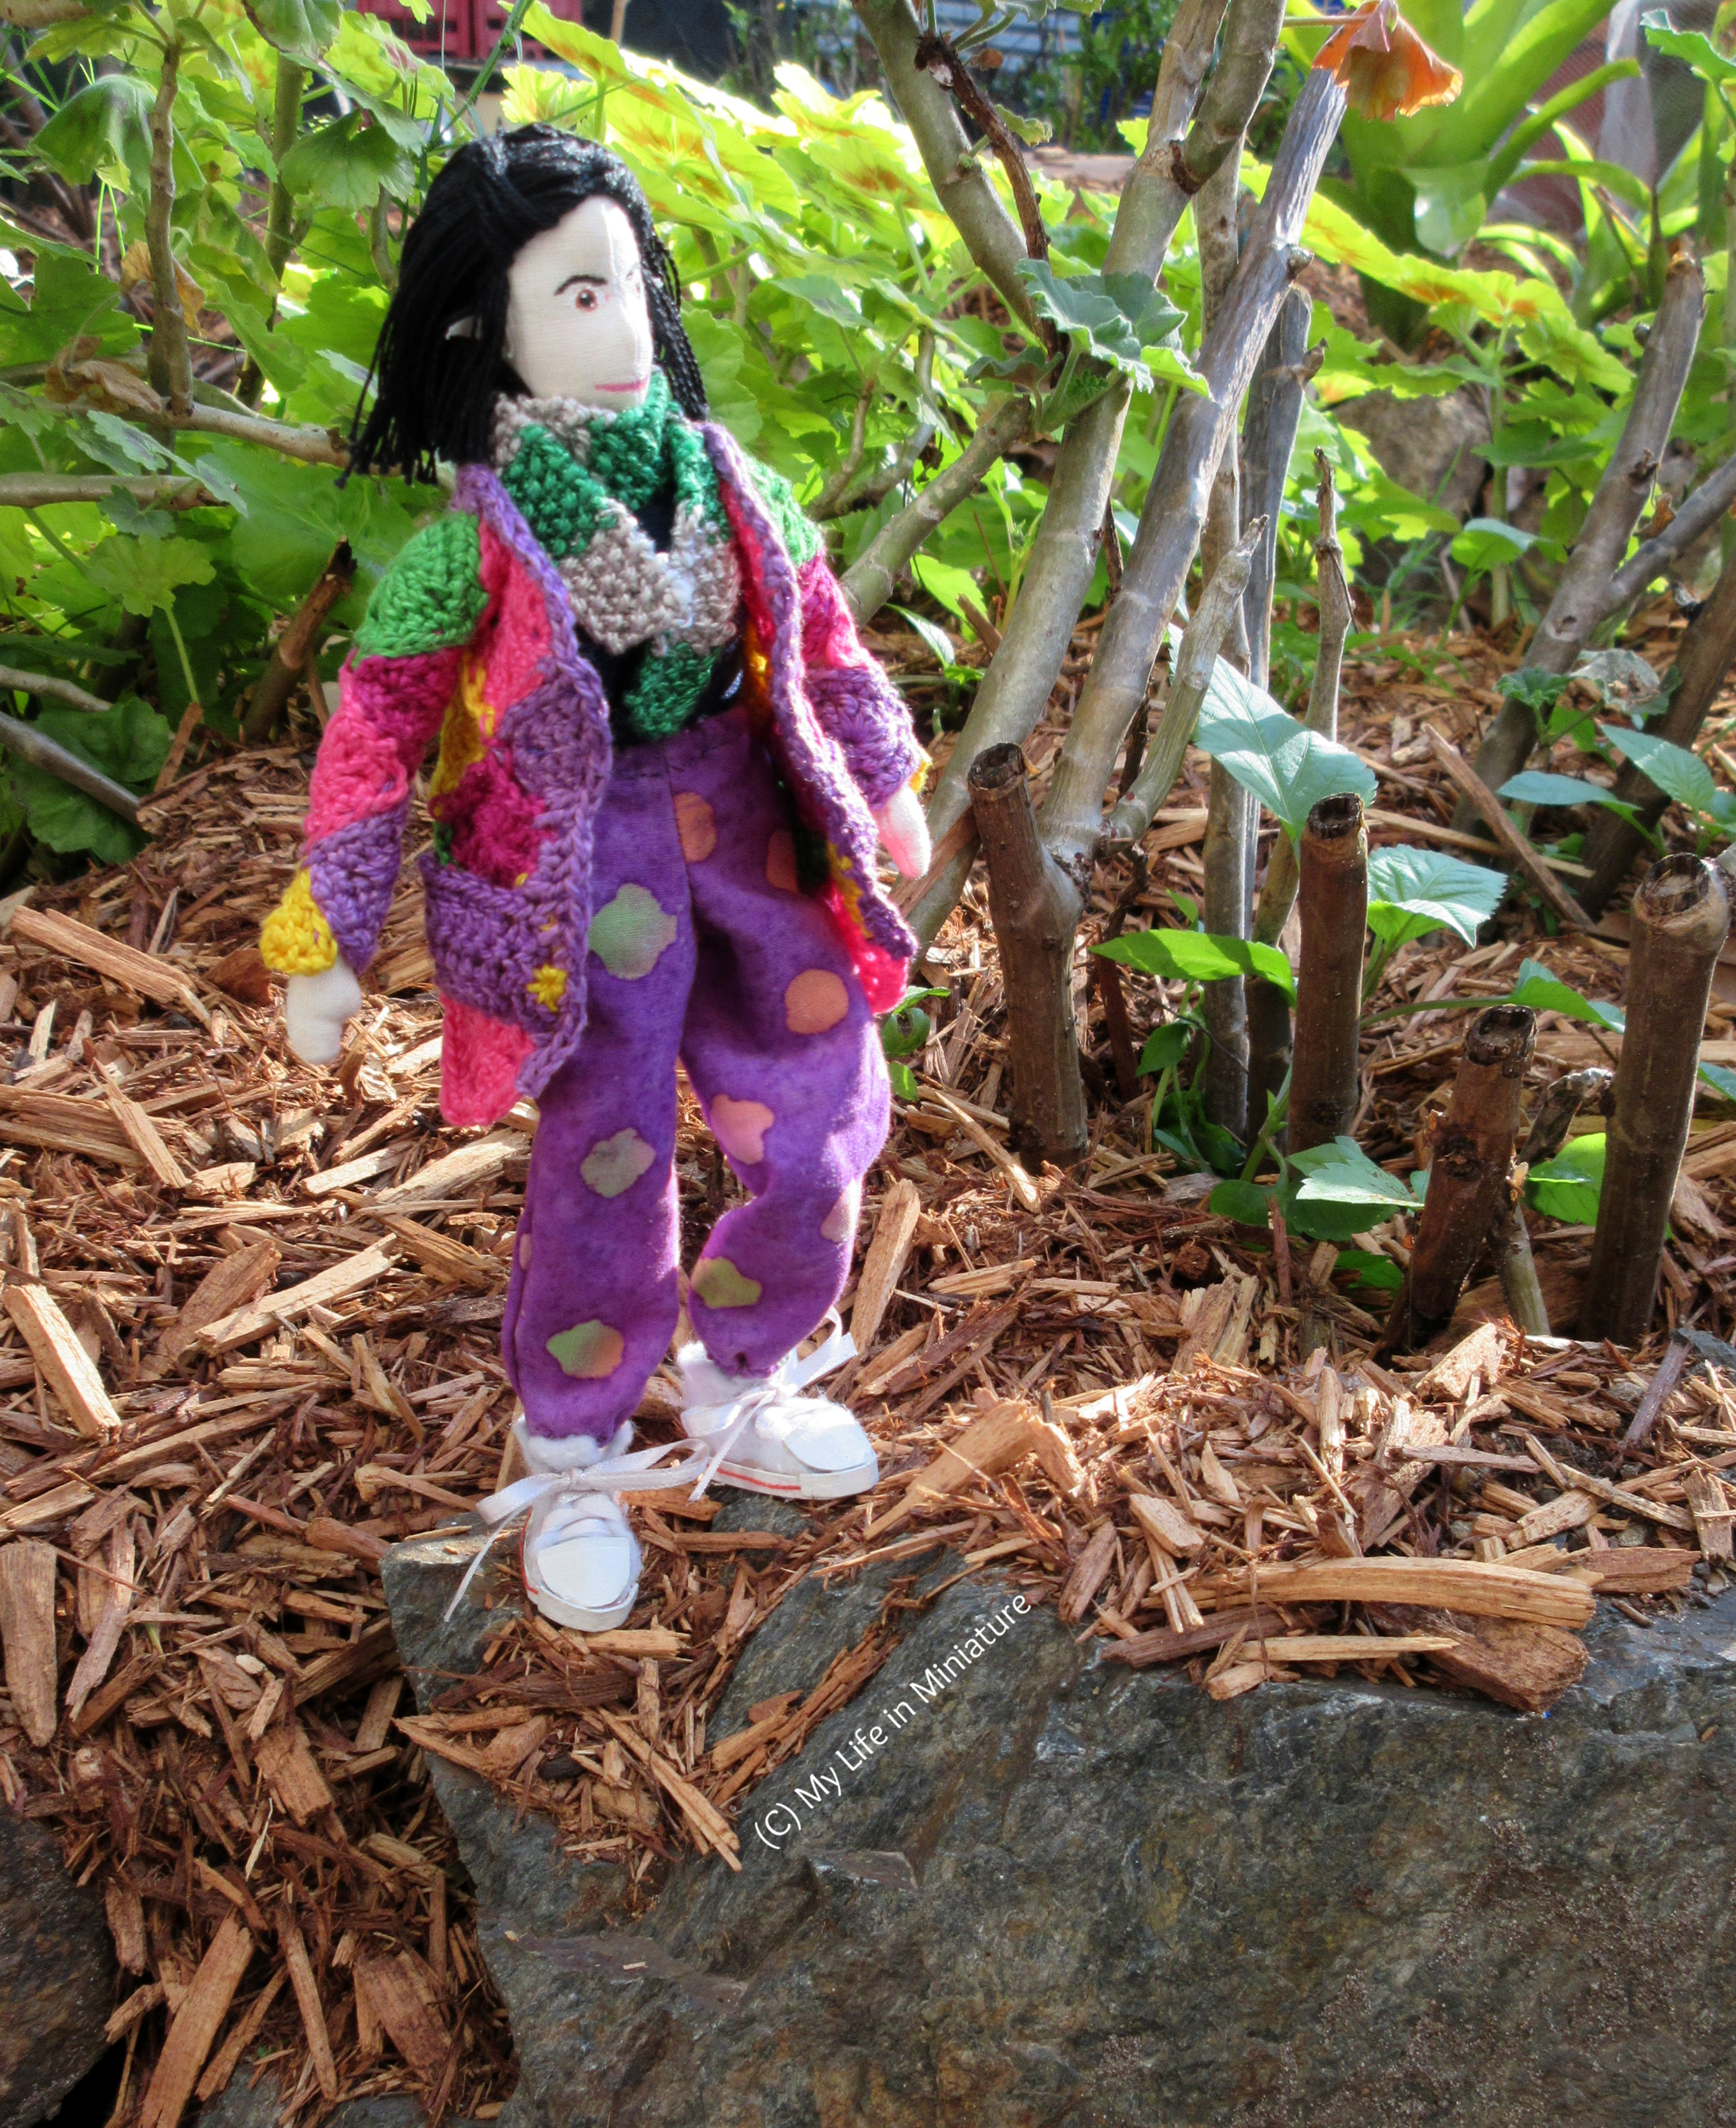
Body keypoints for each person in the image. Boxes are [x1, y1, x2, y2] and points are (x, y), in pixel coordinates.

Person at [259, 126, 931, 1630]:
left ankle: (746, 1365)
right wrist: (332, 929)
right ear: (481, 333)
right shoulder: (469, 555)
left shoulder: (733, 484)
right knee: (605, 1157)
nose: (624, 333)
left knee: (820, 1109)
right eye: (572, 299)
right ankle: (573, 1437)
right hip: (580, 877)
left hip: (752, 835)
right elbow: (376, 733)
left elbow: (822, 634)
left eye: (627, 287)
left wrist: (883, 779)